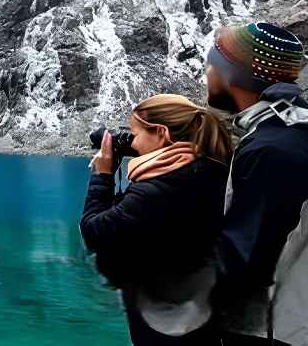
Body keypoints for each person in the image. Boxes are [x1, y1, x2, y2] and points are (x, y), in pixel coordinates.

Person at [205, 22, 308, 345]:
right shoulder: (295, 137)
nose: (207, 72)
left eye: (214, 64)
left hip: (281, 334)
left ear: (237, 75)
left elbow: (242, 261)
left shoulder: (272, 151)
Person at [80, 94, 230, 345]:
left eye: (135, 134)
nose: (133, 144)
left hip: (163, 321)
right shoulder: (210, 166)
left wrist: (102, 175)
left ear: (162, 133)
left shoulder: (156, 189)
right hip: (201, 311)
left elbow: (94, 230)